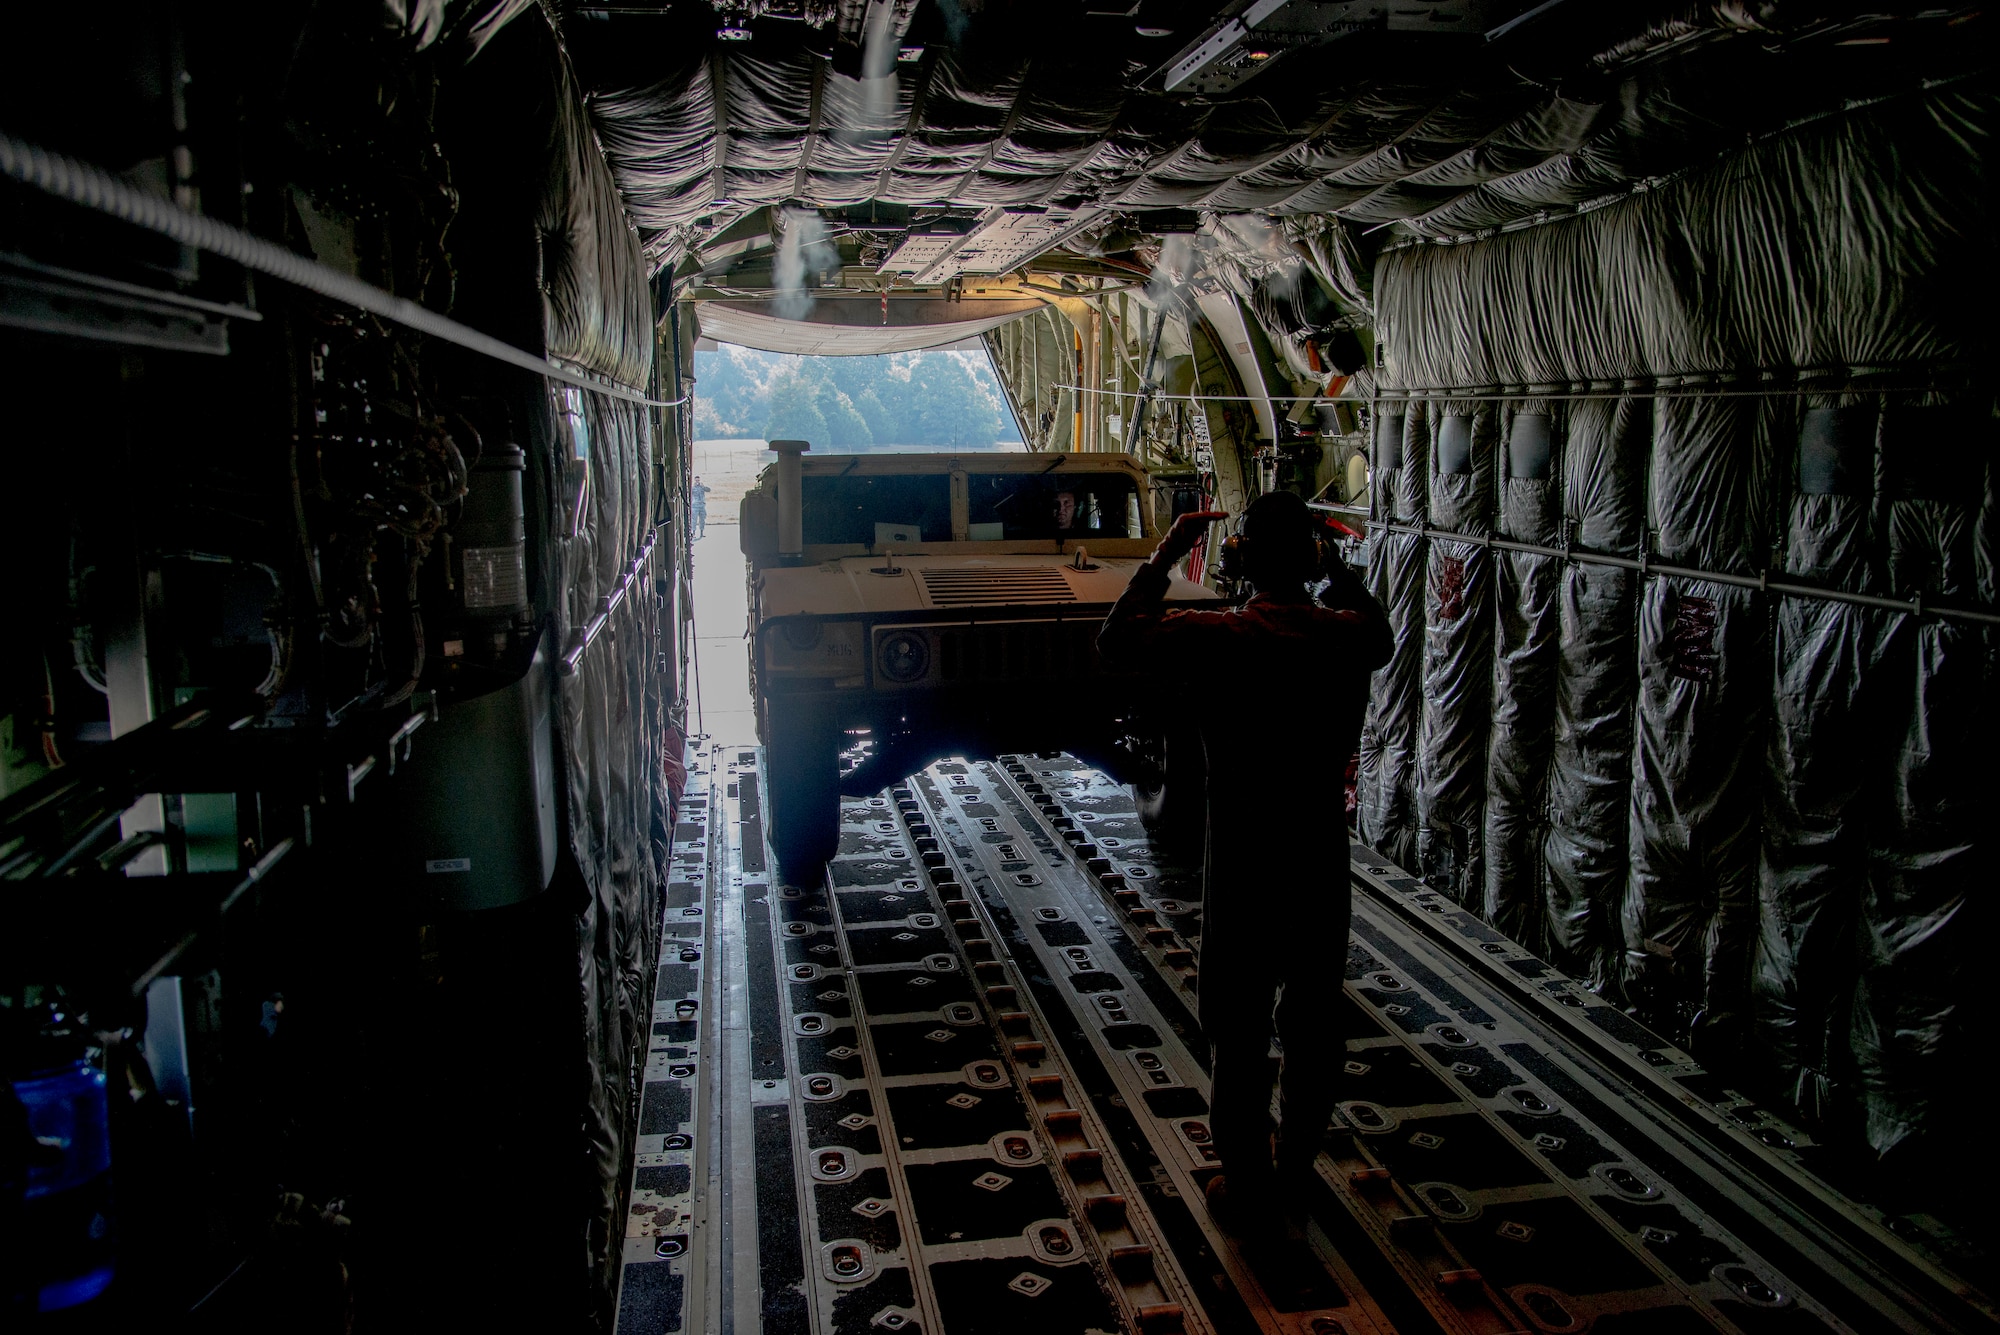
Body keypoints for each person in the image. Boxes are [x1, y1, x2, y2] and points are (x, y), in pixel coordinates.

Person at [1098, 490, 1392, 1234]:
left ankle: (1247, 1182)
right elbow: (1381, 631)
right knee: (1314, 1018)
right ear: (1311, 559)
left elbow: (1118, 638)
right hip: (1320, 854)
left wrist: (1164, 554)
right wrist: (1338, 570)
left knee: (1239, 1018)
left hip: (1244, 858)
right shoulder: (1346, 636)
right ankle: (1295, 1172)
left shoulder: (1220, 638)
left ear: (1242, 559)